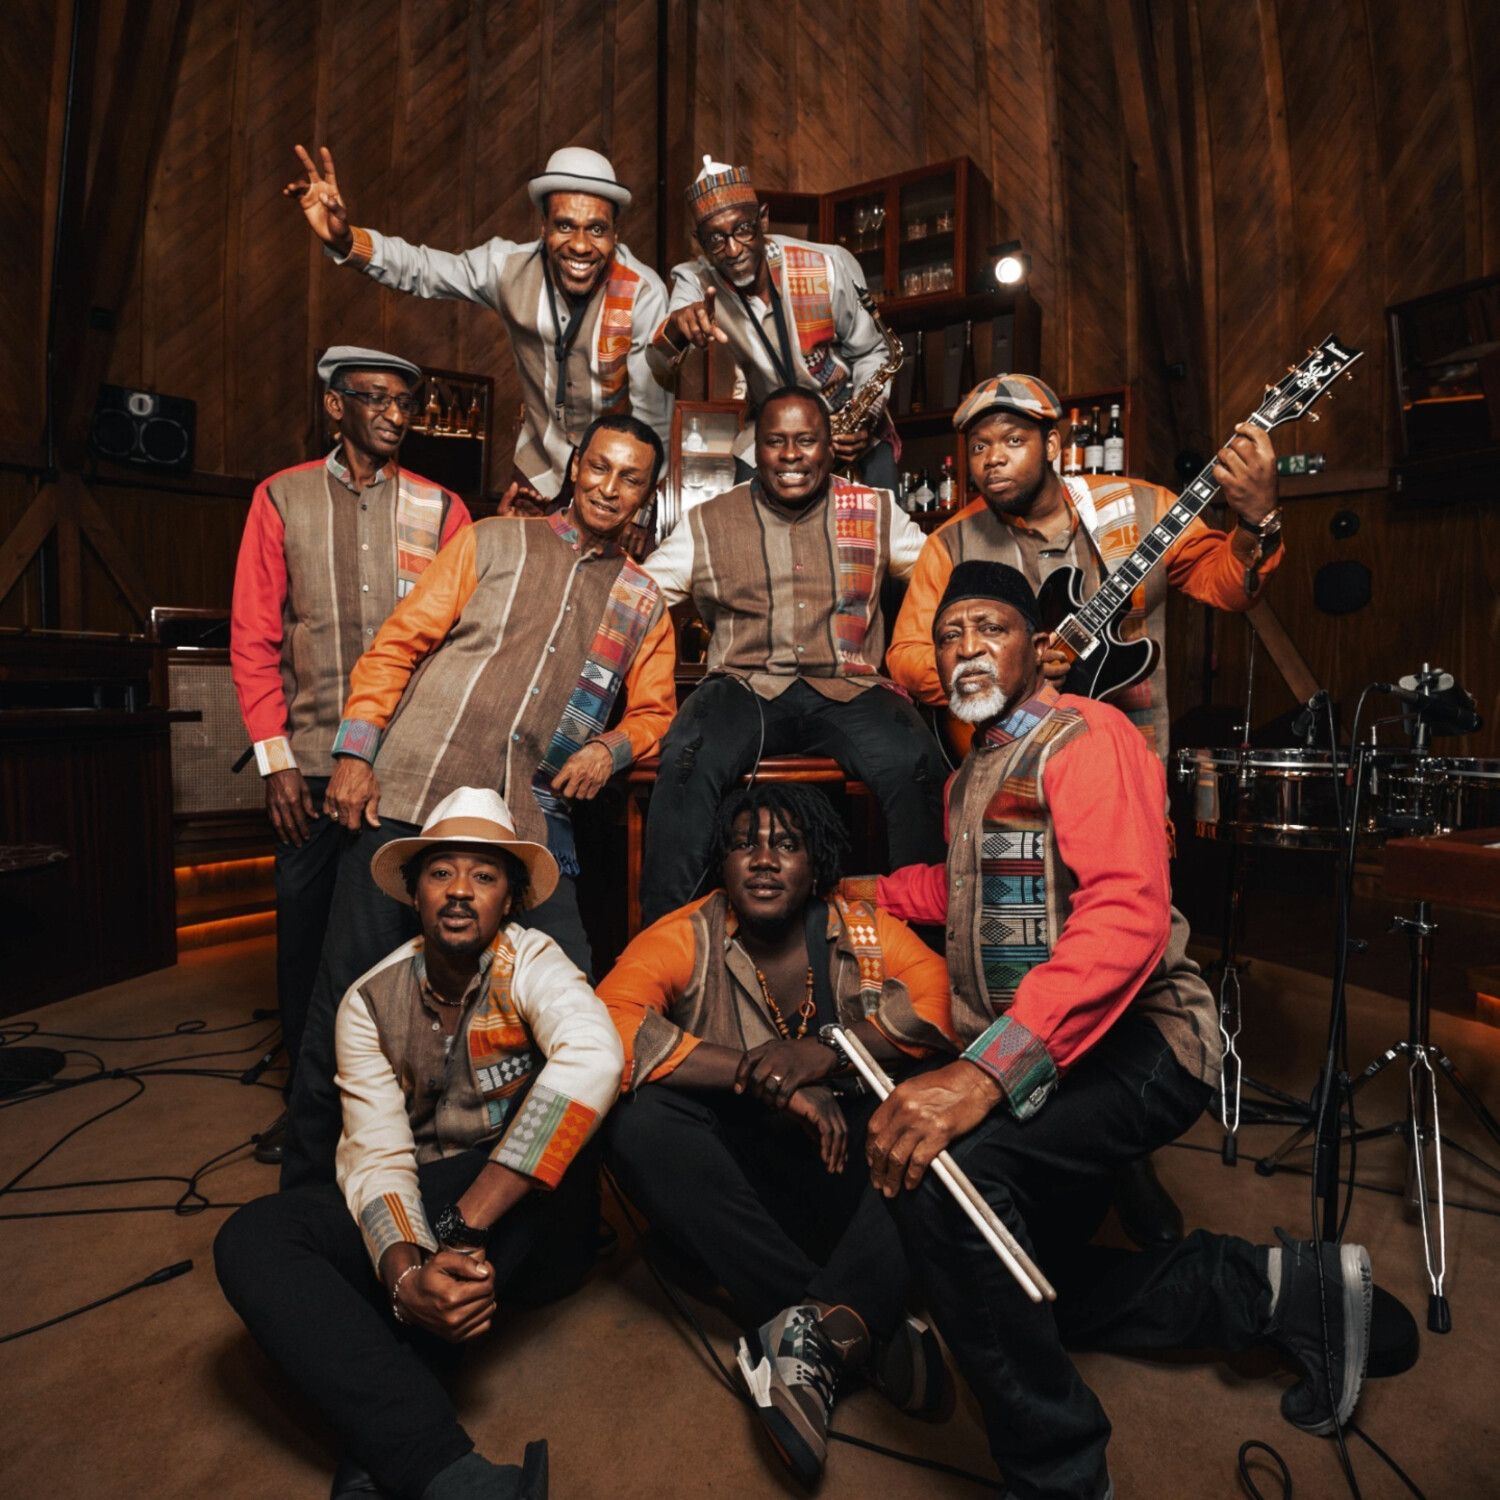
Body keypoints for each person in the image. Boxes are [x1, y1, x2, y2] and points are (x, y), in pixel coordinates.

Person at [859, 561, 1372, 1500]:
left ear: (1034, 647)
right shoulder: (970, 775)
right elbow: (961, 888)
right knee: (1018, 1282)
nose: (967, 647)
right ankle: (1281, 1290)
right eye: (950, 634)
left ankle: (1059, 1476)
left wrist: (982, 1075)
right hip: (1056, 1051)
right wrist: (871, 892)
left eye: (990, 628)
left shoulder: (1087, 735)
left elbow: (1128, 915)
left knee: (952, 1187)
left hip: (1150, 1044)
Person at [887, 372, 1284, 1245]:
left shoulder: (1136, 509)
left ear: (1054, 443)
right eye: (979, 446)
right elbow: (910, 657)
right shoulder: (951, 543)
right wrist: (1009, 661)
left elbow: (1228, 584)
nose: (993, 459)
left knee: (1119, 940)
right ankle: (1059, 1134)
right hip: (1007, 773)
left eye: (1012, 440)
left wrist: (1257, 524)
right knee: (1019, 940)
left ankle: (1118, 1147)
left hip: (1119, 762)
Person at [281, 413, 675, 1189]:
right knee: (348, 992)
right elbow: (398, 645)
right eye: (599, 467)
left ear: (648, 494)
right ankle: (305, 1194)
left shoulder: (643, 600)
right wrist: (356, 754)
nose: (609, 487)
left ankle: (548, 1205)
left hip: (525, 828)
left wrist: (610, 748)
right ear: (575, 466)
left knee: (575, 998)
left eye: (630, 478)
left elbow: (657, 713)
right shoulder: (491, 541)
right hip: (409, 791)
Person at [215, 786, 623, 1500]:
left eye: (484, 875)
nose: (460, 890)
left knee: (570, 1120)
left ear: (510, 900)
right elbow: (377, 1153)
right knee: (252, 1238)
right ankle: (450, 1477)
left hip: (526, 1215)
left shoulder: (535, 962)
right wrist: (406, 1282)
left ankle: (391, 1435)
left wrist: (468, 1224)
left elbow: (596, 1055)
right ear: (414, 893)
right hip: (429, 1204)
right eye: (440, 872)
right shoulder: (368, 1001)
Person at [601, 783, 954, 1483]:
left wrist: (825, 1053)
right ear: (723, 864)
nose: (763, 860)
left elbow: (941, 1003)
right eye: (744, 845)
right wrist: (756, 1075)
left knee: (946, 1107)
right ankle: (853, 1320)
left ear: (815, 863)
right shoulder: (688, 933)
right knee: (634, 1123)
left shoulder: (860, 927)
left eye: (786, 845)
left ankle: (806, 1327)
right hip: (746, 1185)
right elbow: (609, 1024)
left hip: (850, 1173)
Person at [230, 345, 470, 1163]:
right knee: (305, 943)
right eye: (374, 398)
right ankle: (308, 1111)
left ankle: (400, 1101)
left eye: (406, 401)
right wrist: (276, 764)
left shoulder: (442, 509)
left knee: (398, 940)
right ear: (335, 406)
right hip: (306, 762)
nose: (395, 414)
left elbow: (454, 640)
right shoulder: (281, 497)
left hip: (404, 762)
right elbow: (254, 640)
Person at [636, 387, 945, 927]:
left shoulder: (874, 511)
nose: (791, 455)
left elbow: (944, 577)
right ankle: (669, 939)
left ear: (829, 446)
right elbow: (637, 599)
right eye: (775, 441)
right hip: (743, 688)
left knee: (918, 764)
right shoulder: (709, 521)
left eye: (806, 440)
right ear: (755, 449)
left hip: (851, 689)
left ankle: (922, 940)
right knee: (686, 759)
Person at [285, 143, 672, 501]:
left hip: (617, 479)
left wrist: (642, 506)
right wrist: (344, 240)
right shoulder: (506, 269)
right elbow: (423, 269)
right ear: (543, 227)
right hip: (539, 472)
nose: (582, 245)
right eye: (565, 226)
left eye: (597, 229)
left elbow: (653, 417)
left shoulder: (642, 294)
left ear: (616, 234)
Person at [652, 157, 899, 490]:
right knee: (743, 503)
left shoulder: (825, 266)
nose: (733, 250)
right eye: (715, 240)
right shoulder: (695, 281)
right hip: (771, 427)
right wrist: (678, 328)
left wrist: (864, 420)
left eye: (743, 229)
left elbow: (872, 351)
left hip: (845, 418)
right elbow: (658, 361)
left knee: (881, 504)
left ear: (763, 219)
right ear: (699, 241)